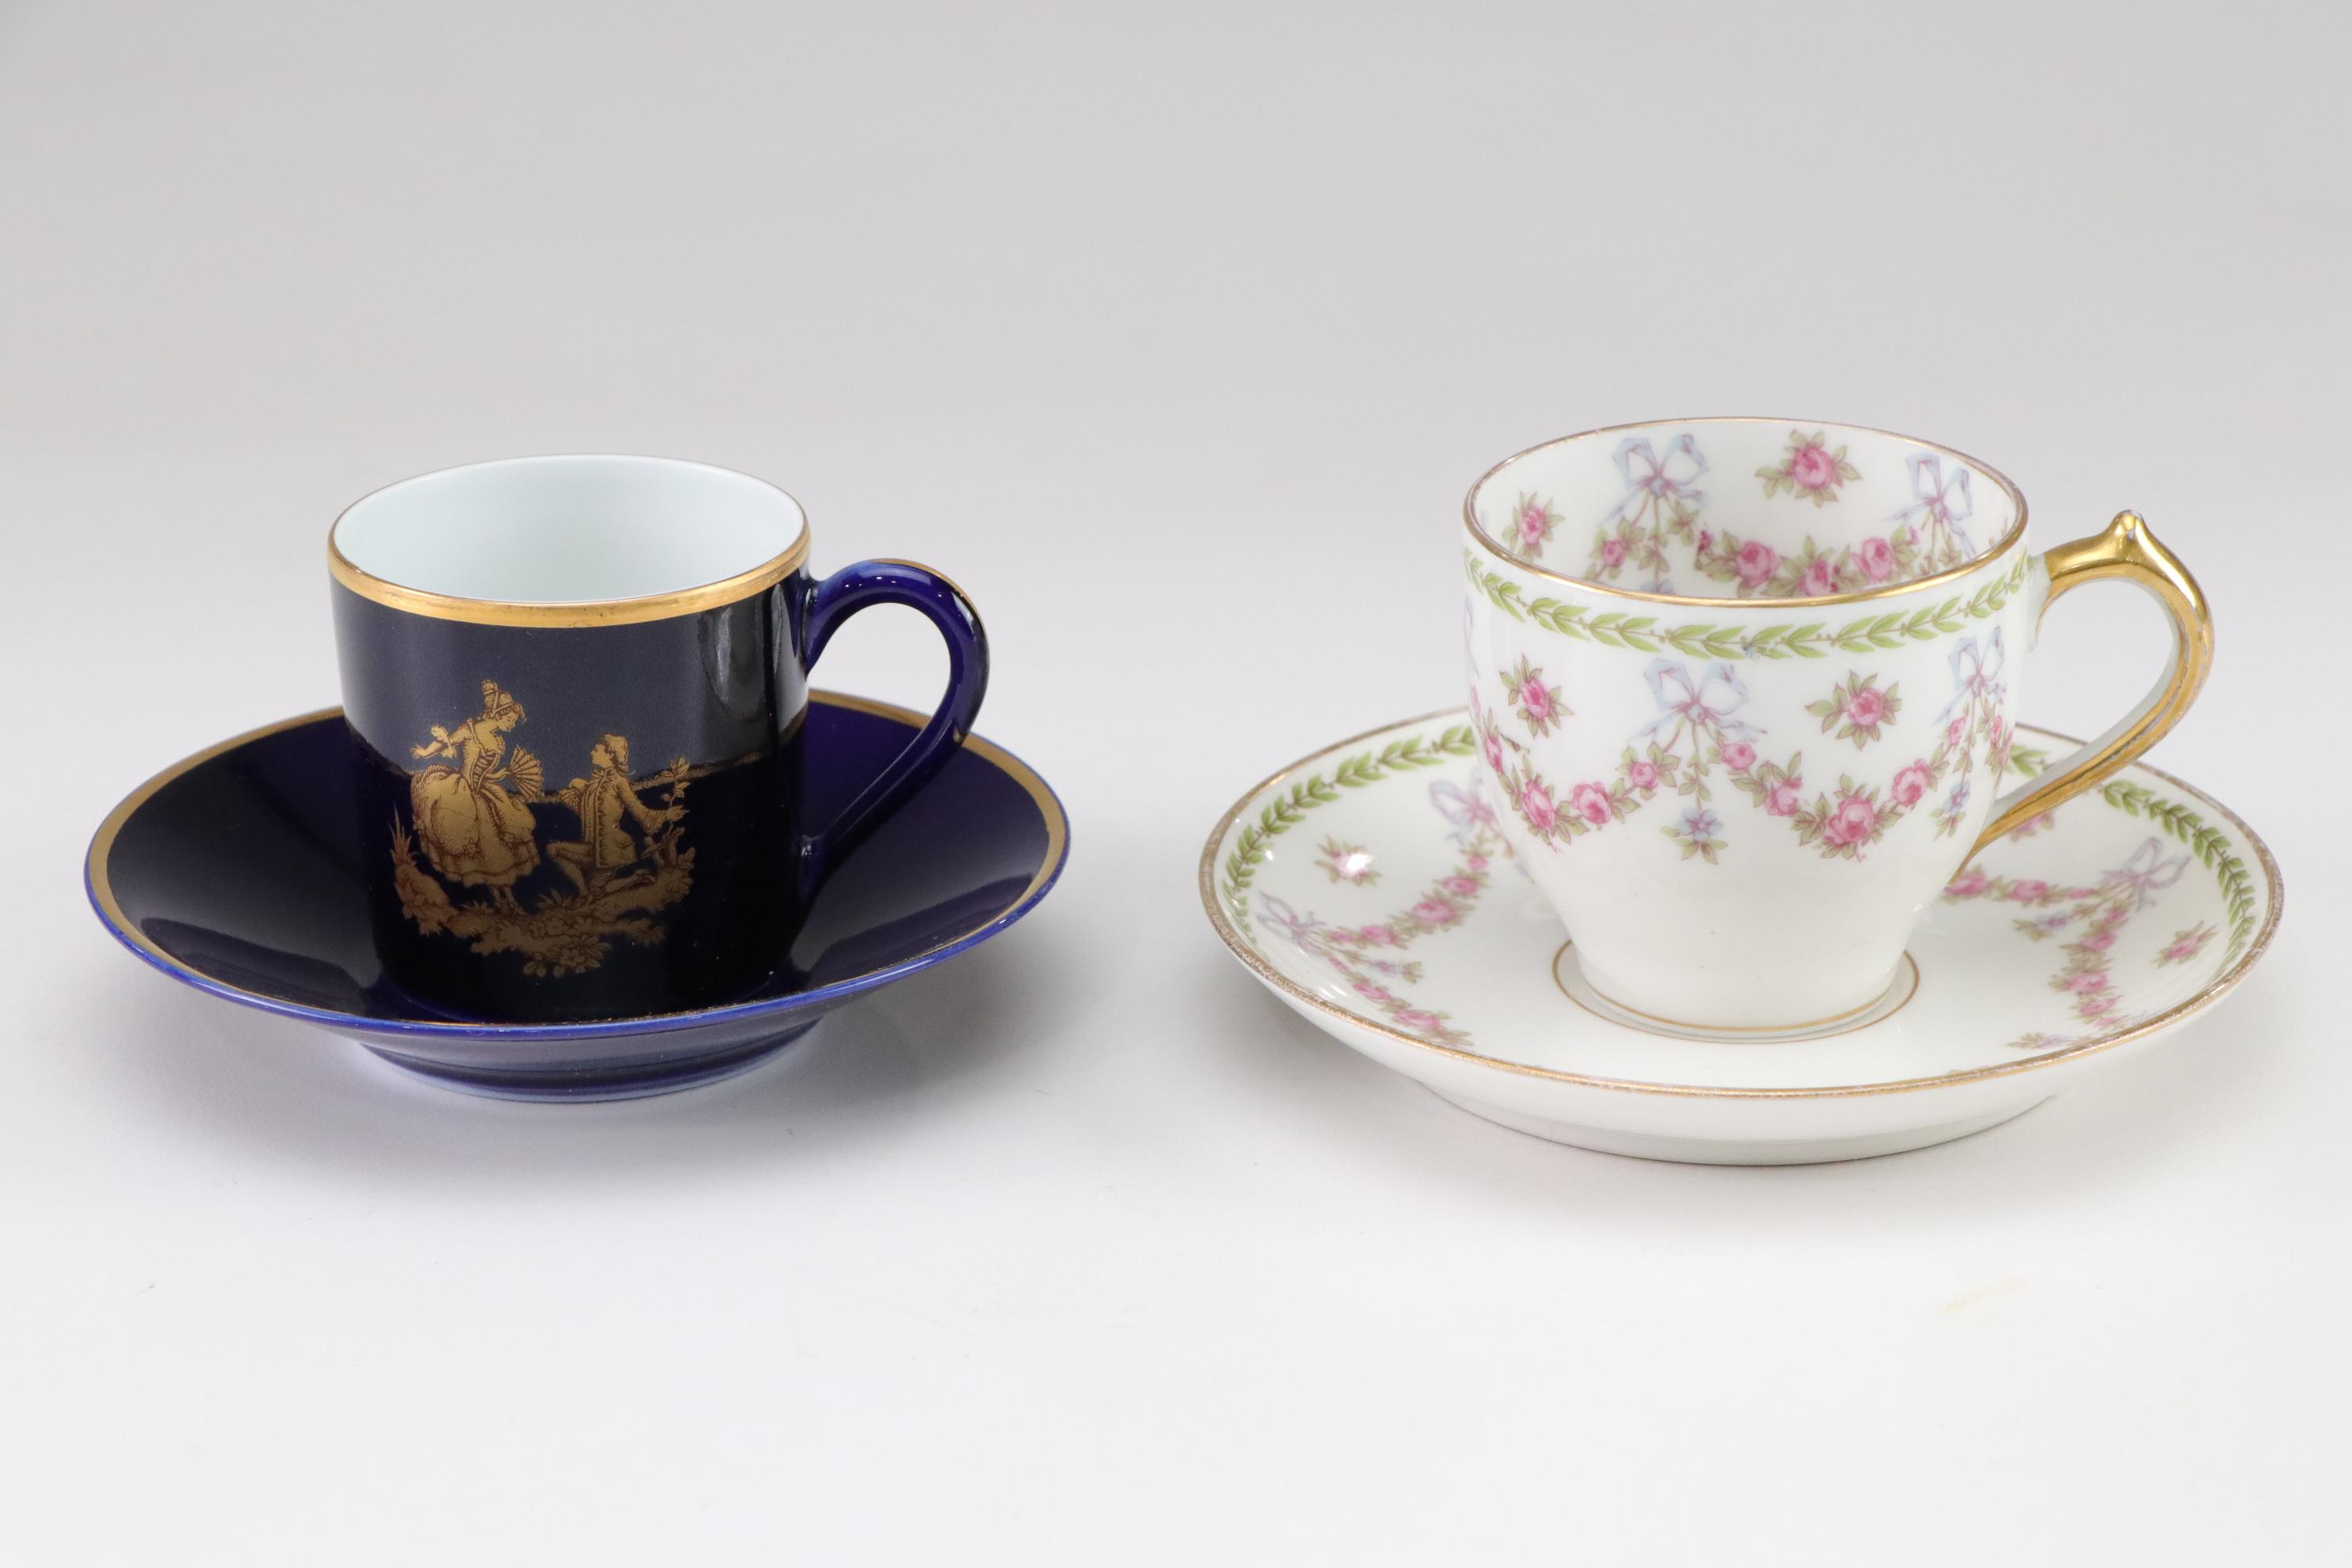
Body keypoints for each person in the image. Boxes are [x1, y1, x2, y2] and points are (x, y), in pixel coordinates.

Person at [407, 682, 541, 906]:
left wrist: (501, 774)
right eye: (510, 719)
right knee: (485, 846)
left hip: (486, 790)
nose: (512, 724)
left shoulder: (497, 740)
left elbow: (486, 772)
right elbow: (447, 741)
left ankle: (507, 900)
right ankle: (500, 900)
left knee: (498, 845)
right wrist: (424, 752)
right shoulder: (470, 729)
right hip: (462, 792)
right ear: (499, 714)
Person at [545, 734, 684, 897]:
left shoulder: (619, 782)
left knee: (597, 890)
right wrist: (571, 795)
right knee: (553, 849)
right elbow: (587, 813)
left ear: (610, 754)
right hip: (591, 848)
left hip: (609, 850)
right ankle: (583, 892)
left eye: (596, 750)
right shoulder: (594, 784)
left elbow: (638, 810)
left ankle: (635, 878)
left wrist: (666, 814)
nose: (591, 752)